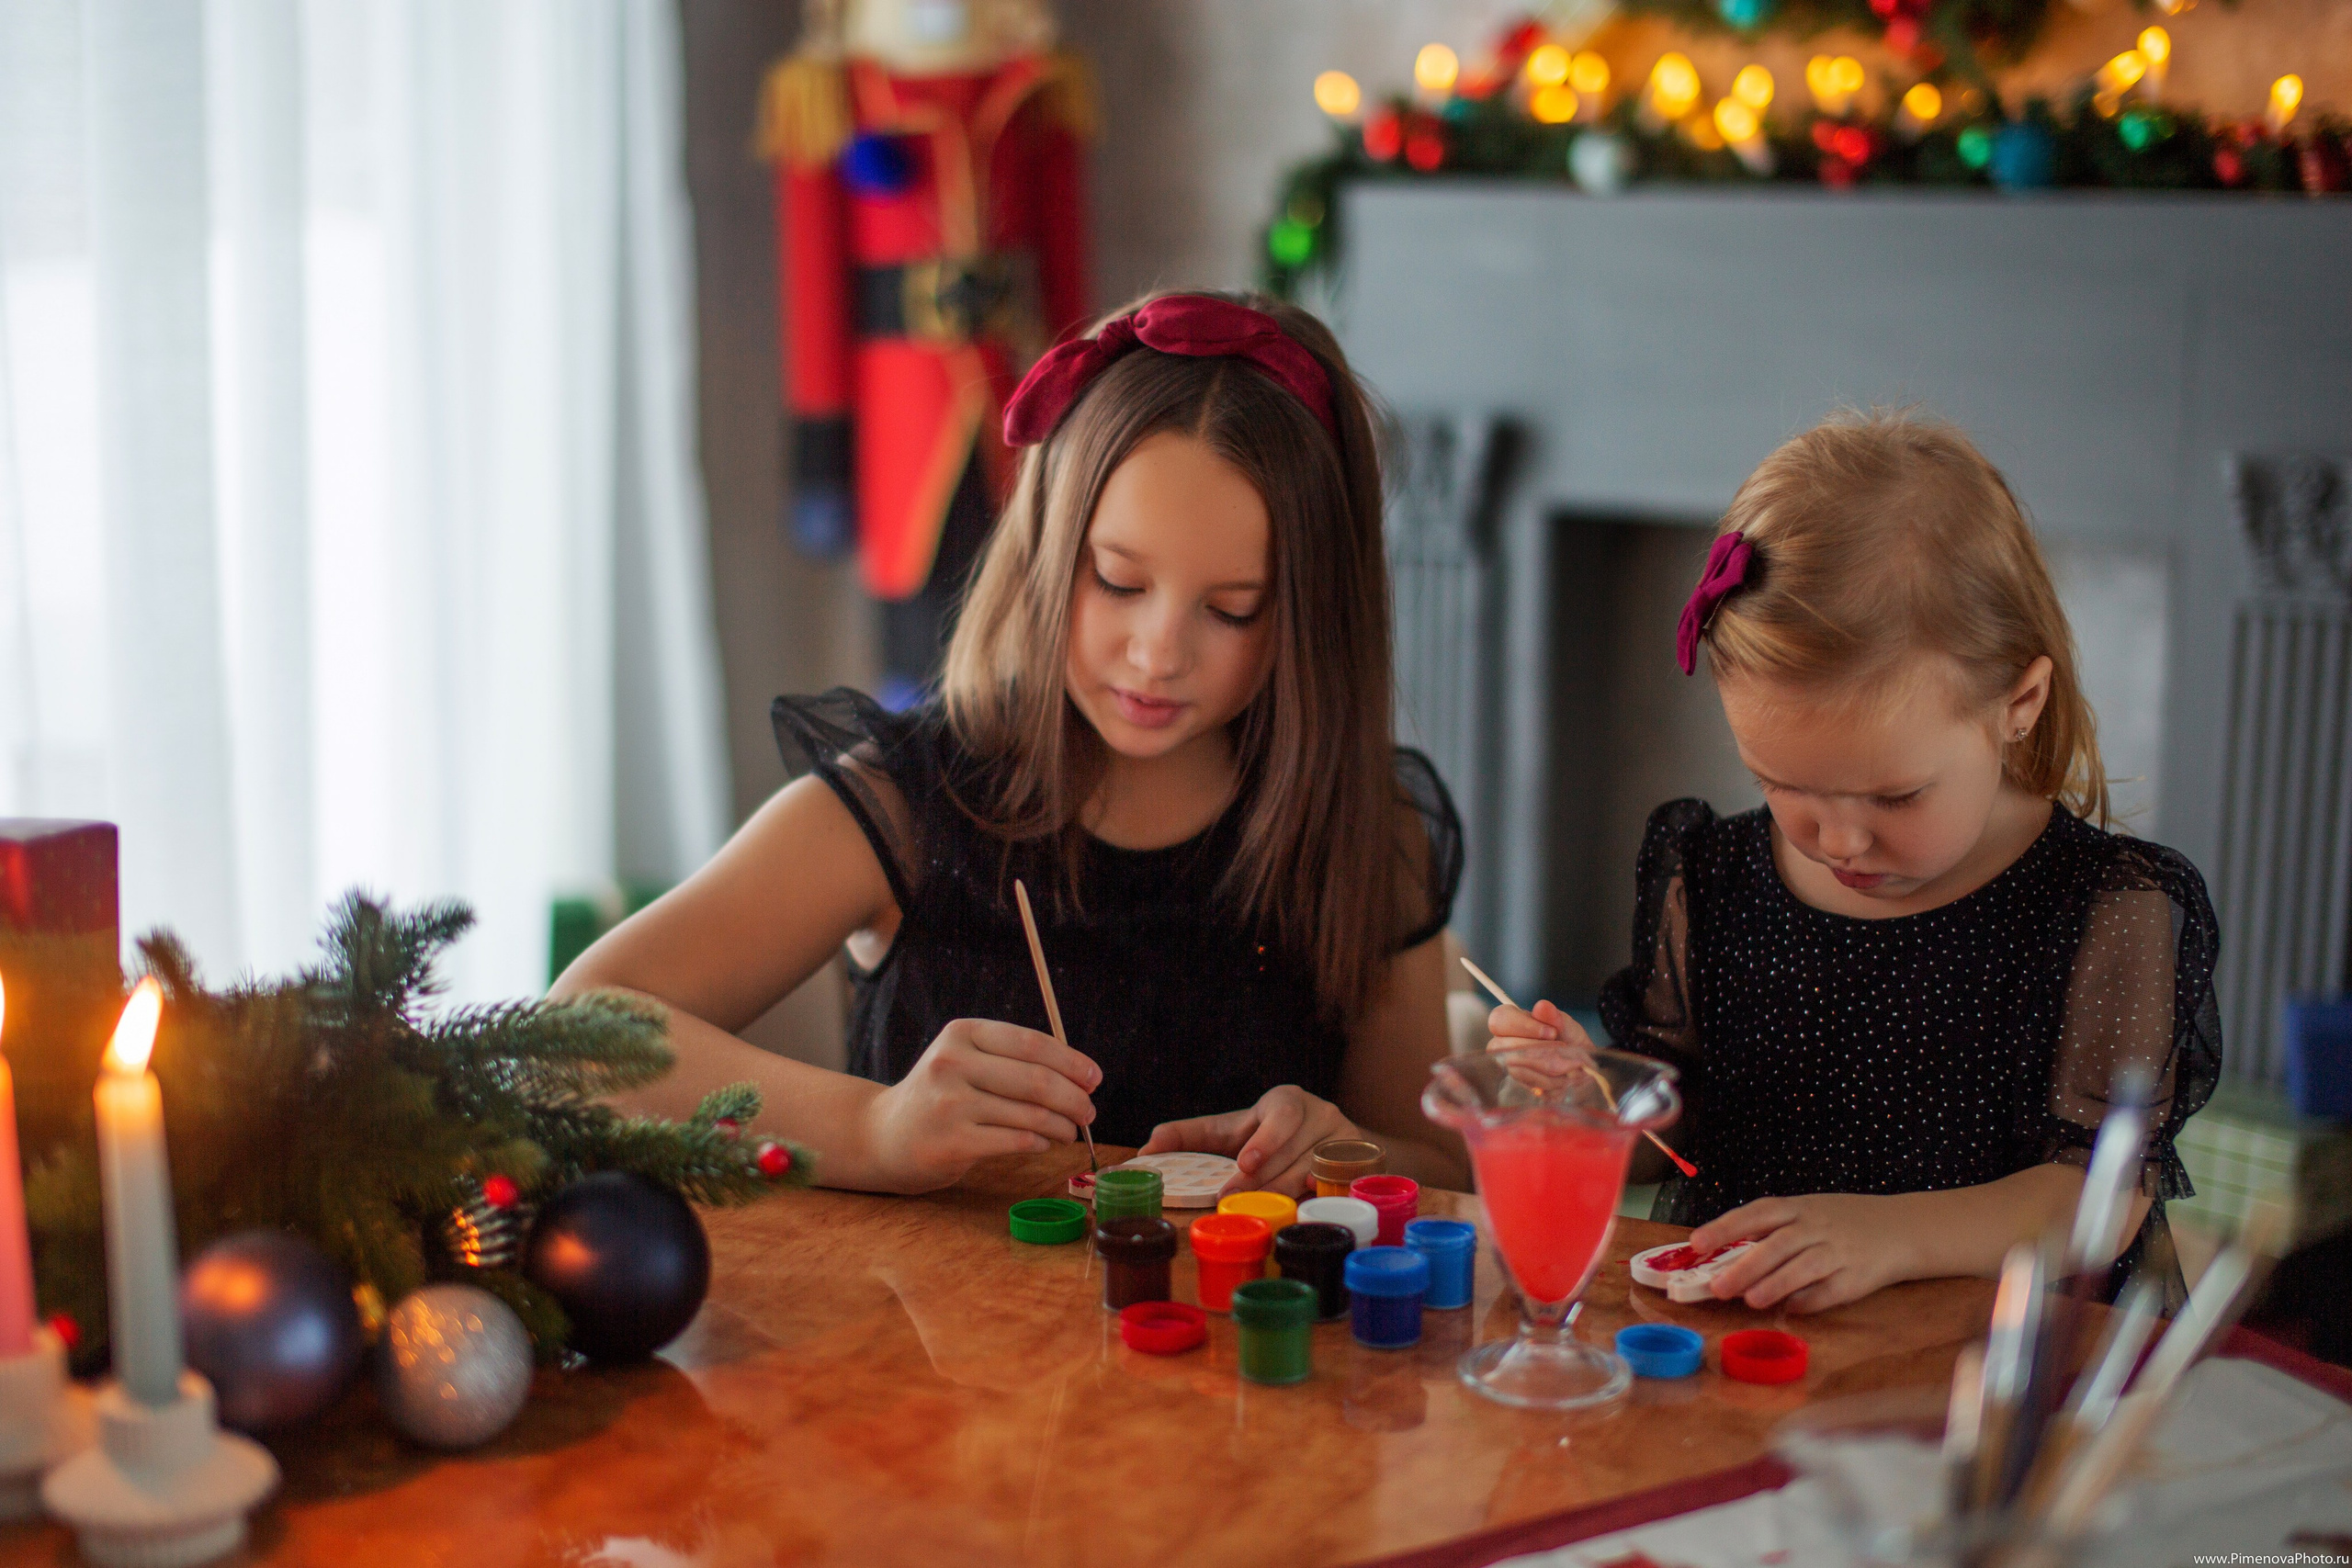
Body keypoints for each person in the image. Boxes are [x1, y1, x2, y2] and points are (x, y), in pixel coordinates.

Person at [551, 292, 1468, 1197]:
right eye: (1116, 581)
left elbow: (1439, 1169)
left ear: (1309, 617)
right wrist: (867, 1128)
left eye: (1231, 609)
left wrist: (1352, 1156)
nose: (1157, 653)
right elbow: (577, 1038)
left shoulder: (1362, 833)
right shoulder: (905, 807)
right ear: (1044, 550)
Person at [1489, 411, 2220, 1313]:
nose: (1838, 841)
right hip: (1755, 1351)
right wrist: (1597, 1096)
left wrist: (1887, 1236)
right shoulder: (1709, 874)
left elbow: (2099, 1196)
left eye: (1893, 797)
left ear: (2018, 703)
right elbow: (1672, 1126)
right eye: (1781, 782)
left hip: (1991, 1379)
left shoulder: (2108, 909)